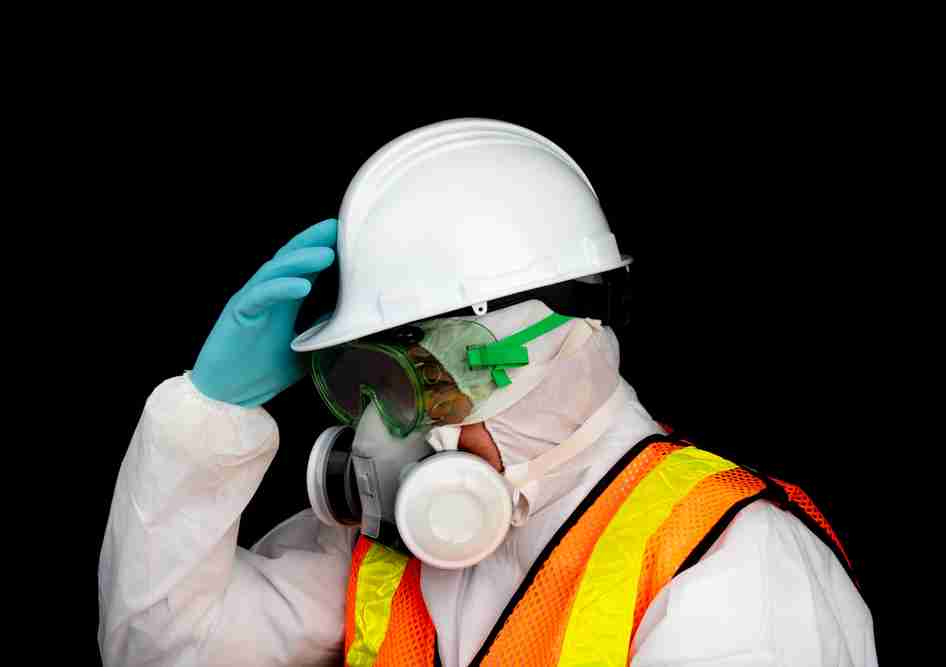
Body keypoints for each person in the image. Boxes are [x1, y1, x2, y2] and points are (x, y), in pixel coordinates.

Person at [98, 119, 877, 666]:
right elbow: (159, 647)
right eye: (367, 380)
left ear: (556, 351)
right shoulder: (386, 550)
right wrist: (206, 417)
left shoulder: (732, 567)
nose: (386, 427)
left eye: (429, 377)